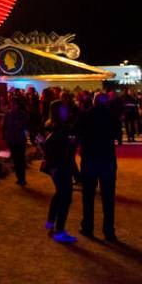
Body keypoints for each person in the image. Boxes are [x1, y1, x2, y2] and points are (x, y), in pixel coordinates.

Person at [77, 93, 118, 241]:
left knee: (88, 195)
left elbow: (78, 133)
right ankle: (109, 230)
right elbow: (117, 135)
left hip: (90, 159)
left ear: (93, 102)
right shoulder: (111, 116)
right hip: (107, 159)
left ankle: (87, 227)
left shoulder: (85, 116)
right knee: (108, 197)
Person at [42, 97, 77, 243]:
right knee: (65, 197)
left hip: (57, 167)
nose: (67, 110)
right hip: (61, 166)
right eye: (64, 109)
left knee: (60, 194)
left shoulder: (56, 126)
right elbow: (51, 146)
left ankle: (51, 221)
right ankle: (59, 230)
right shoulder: (60, 128)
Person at [2, 95, 30, 186]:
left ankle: (22, 178)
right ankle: (19, 178)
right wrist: (5, 137)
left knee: (20, 159)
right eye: (11, 103)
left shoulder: (22, 114)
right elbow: (4, 126)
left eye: (14, 103)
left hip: (20, 140)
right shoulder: (8, 114)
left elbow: (25, 126)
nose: (13, 105)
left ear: (17, 104)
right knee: (15, 159)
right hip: (12, 140)